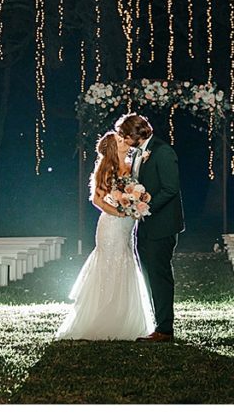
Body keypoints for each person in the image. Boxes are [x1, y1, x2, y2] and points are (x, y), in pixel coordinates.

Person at [55, 131, 155, 341]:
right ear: (112, 147)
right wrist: (119, 212)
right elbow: (97, 200)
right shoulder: (105, 168)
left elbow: (135, 189)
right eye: (120, 140)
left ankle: (125, 317)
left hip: (128, 224)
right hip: (111, 224)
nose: (125, 141)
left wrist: (137, 200)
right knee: (111, 262)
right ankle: (105, 319)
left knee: (126, 261)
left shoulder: (131, 165)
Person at [114, 112, 183, 343]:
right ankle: (156, 323)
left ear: (135, 134)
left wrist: (147, 206)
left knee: (159, 276)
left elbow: (171, 188)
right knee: (149, 276)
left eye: (124, 135)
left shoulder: (163, 151)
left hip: (161, 226)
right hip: (144, 226)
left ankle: (165, 329)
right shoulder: (138, 153)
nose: (122, 139)